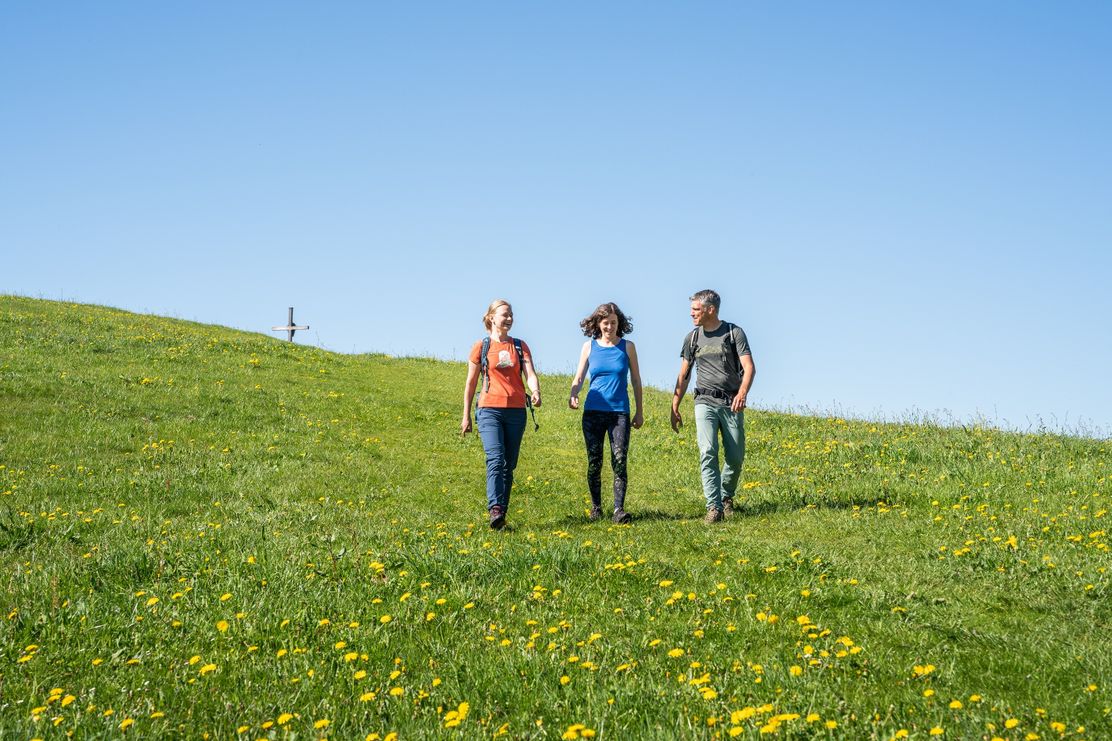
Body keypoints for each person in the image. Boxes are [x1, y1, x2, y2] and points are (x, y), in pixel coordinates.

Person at [671, 289, 756, 523]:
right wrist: (675, 405)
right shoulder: (692, 338)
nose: (691, 314)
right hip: (704, 402)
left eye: (696, 310)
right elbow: (684, 374)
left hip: (731, 402)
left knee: (735, 457)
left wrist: (742, 393)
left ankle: (726, 495)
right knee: (707, 451)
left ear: (710, 309)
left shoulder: (733, 333)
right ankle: (714, 507)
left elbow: (749, 367)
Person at [461, 299, 542, 529]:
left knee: (509, 463)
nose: (509, 318)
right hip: (489, 410)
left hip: (516, 411)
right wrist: (466, 415)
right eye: (504, 314)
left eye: (511, 315)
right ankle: (494, 508)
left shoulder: (519, 346)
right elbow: (470, 383)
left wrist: (535, 391)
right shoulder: (482, 346)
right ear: (492, 318)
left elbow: (530, 373)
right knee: (495, 459)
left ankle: (501, 513)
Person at [569, 302, 643, 524]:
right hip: (593, 412)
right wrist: (574, 393)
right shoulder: (589, 347)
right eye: (605, 323)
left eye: (613, 322)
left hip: (619, 412)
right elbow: (580, 377)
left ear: (619, 323)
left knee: (619, 460)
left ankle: (618, 510)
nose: (609, 327)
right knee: (594, 461)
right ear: (598, 324)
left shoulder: (628, 347)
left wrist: (639, 411)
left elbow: (636, 380)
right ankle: (596, 507)